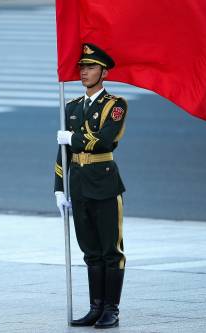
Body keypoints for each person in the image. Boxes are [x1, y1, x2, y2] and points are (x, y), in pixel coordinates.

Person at [54, 43, 128, 329]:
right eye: (82, 68)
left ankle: (111, 309)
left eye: (91, 67)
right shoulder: (71, 106)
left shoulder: (115, 105)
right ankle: (95, 308)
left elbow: (105, 140)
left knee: (111, 251)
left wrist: (72, 139)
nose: (84, 72)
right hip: (80, 186)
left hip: (105, 183)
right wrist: (60, 187)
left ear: (104, 72)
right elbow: (61, 153)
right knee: (90, 251)